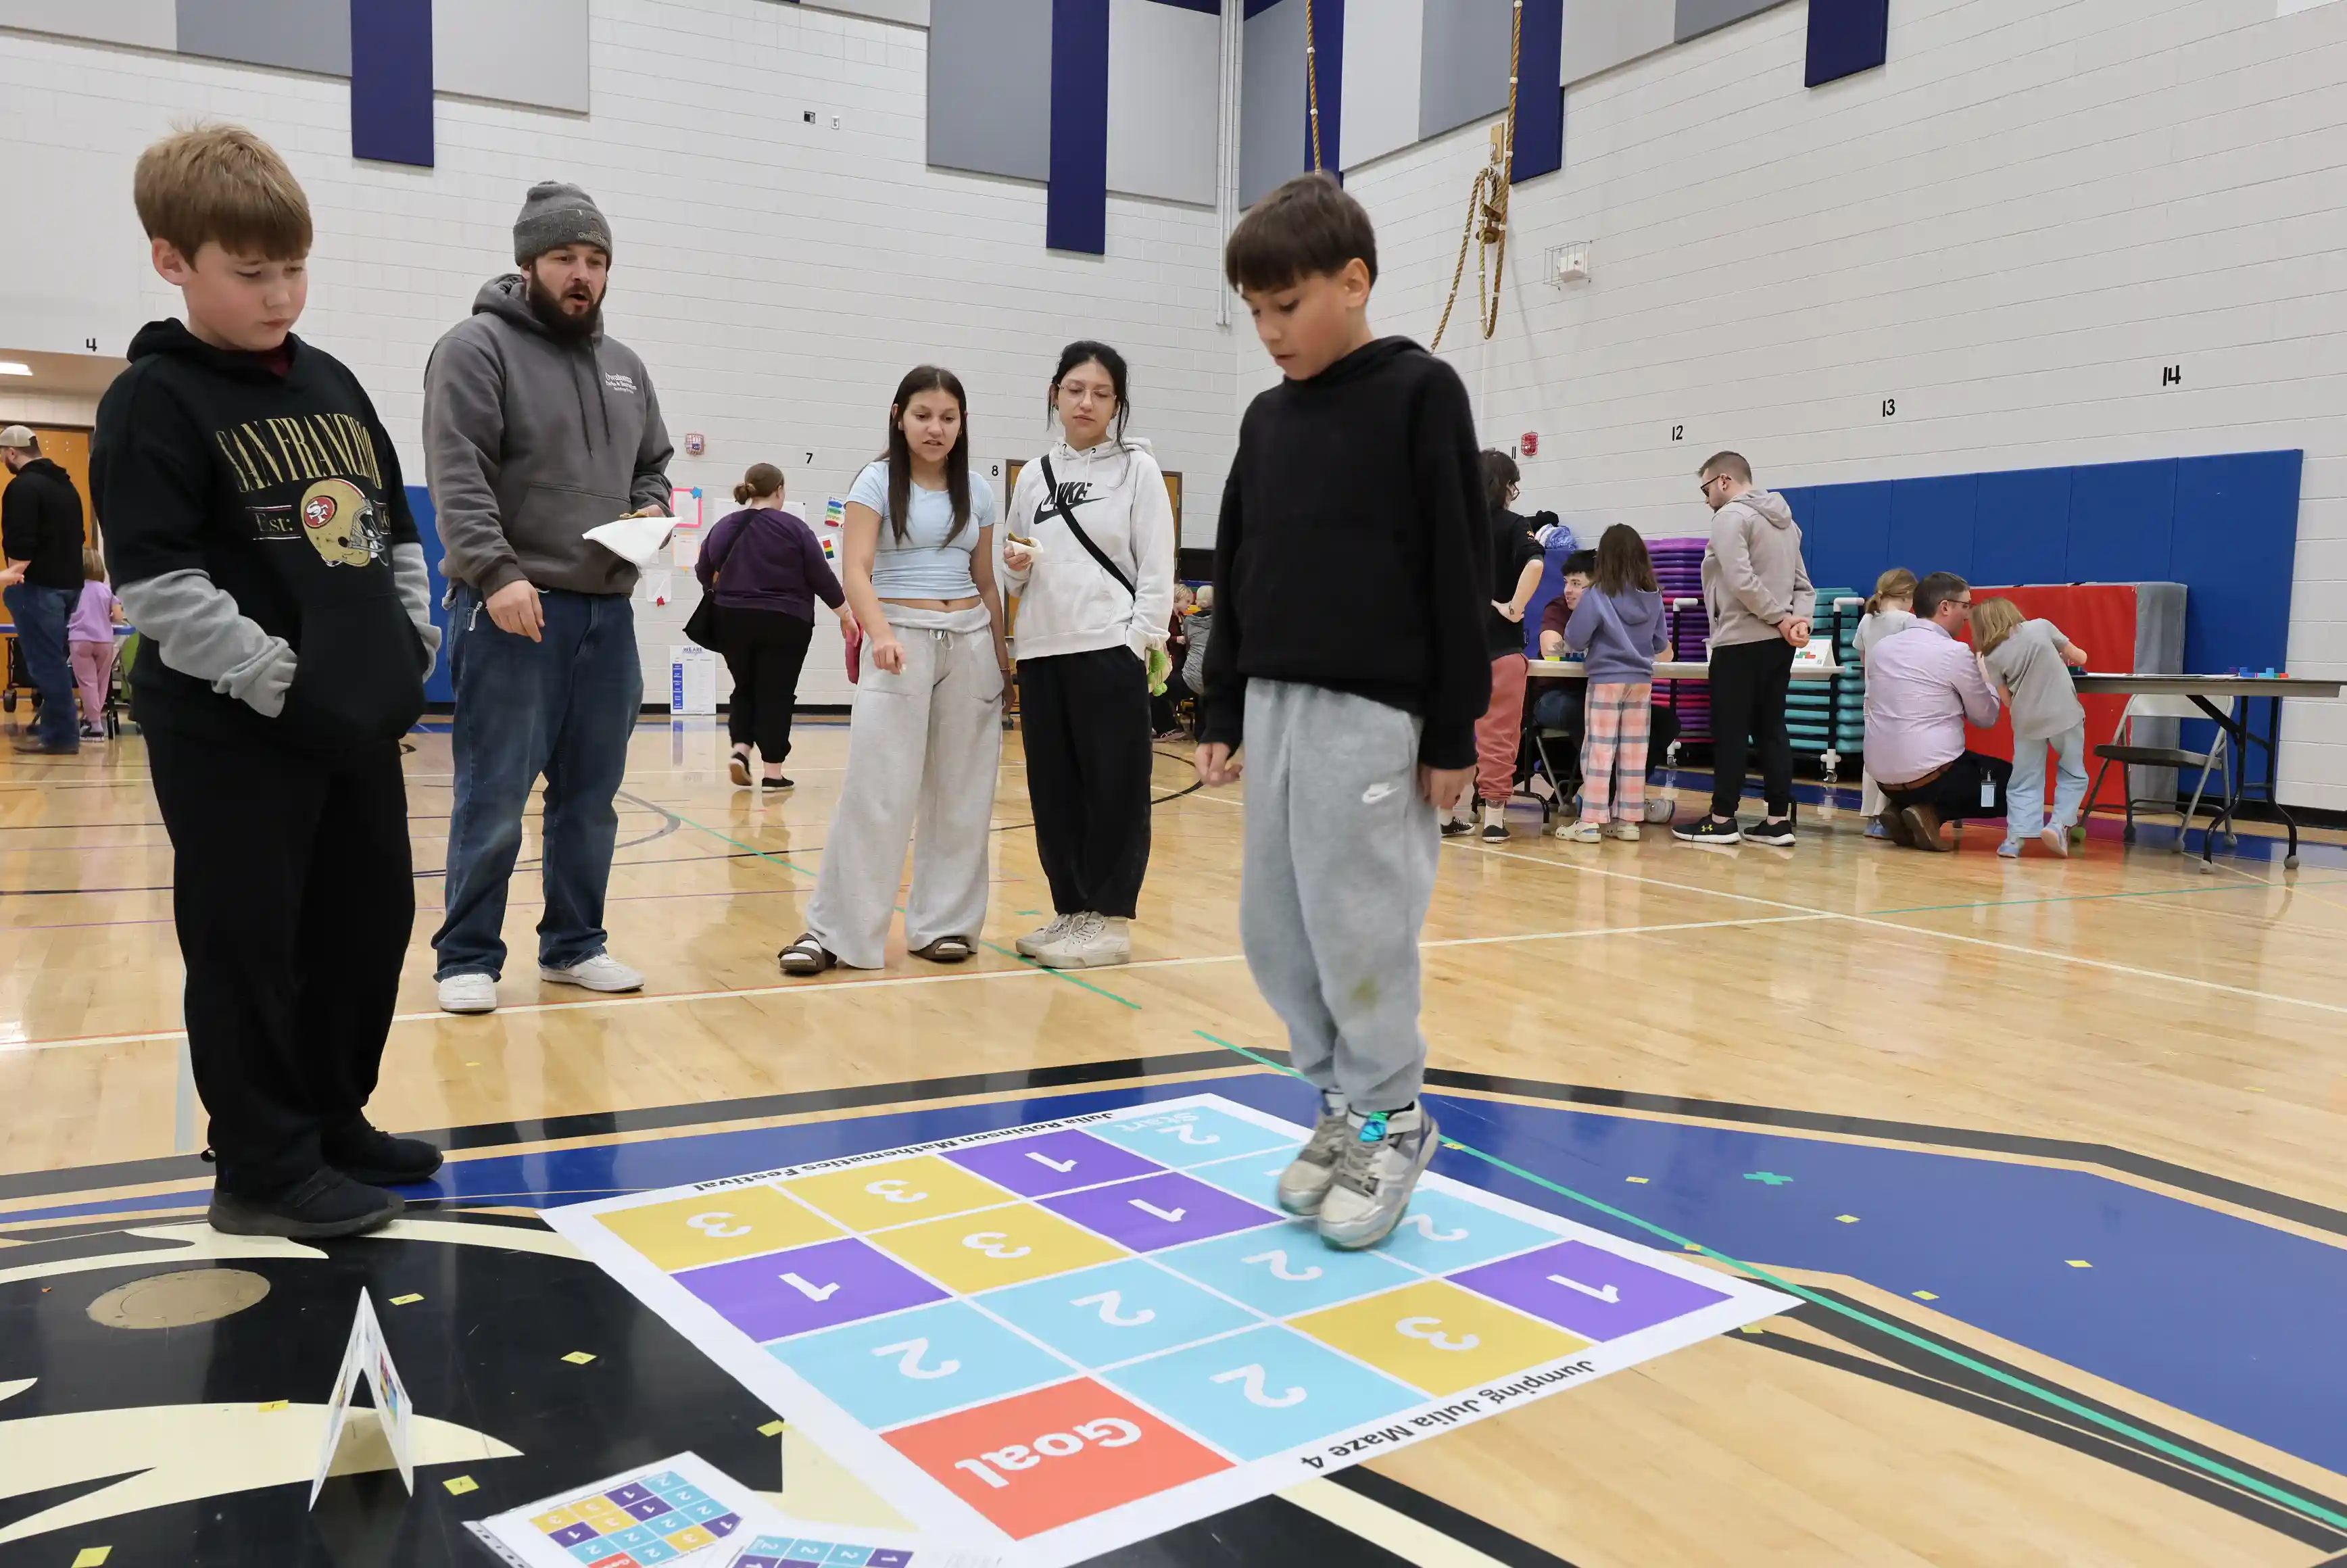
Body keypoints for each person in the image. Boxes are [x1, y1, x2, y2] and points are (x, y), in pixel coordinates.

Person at [95, 124, 441, 1238]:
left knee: (366, 920)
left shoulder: (332, 382)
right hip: (232, 729)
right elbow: (158, 583)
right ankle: (259, 1162)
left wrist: (410, 642)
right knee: (252, 942)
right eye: (251, 274)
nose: (280, 293)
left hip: (347, 718)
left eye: (294, 267)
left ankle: (330, 1118)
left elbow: (391, 531)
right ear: (172, 261)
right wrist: (275, 678)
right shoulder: (155, 399)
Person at [1197, 173, 1489, 1250]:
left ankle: (1393, 1116)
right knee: (1275, 930)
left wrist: (1452, 727)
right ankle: (1339, 1104)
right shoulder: (1267, 419)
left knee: (1361, 927)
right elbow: (1241, 563)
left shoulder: (1422, 393)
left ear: (1354, 282)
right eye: (1256, 312)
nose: (1271, 332)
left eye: (1288, 306)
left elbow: (1456, 567)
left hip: (1376, 713)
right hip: (1273, 701)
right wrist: (1221, 700)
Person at [424, 181, 674, 1016]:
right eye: (565, 257)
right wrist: (496, 574)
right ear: (527, 262)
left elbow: (652, 466)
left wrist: (653, 507)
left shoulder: (627, 368)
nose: (582, 274)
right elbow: (457, 475)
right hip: (512, 607)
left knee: (590, 800)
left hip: (608, 612)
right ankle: (466, 955)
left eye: (596, 260)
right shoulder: (475, 348)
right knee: (493, 793)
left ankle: (574, 945)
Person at [779, 366, 1009, 975]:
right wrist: (879, 633)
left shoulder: (979, 494)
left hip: (970, 645)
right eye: (923, 415)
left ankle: (946, 925)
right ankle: (834, 933)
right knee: (877, 791)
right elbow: (855, 569)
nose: (936, 428)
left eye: (949, 418)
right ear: (898, 416)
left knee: (963, 793)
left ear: (963, 424)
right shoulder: (876, 481)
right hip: (899, 643)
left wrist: (1004, 666)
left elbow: (987, 582)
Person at [1000, 341, 1176, 970]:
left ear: (1117, 405)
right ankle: (1072, 910)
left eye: (1102, 393)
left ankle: (1111, 919)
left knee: (1115, 787)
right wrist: (1014, 565)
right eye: (1076, 389)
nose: (1087, 402)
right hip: (1044, 651)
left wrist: (1137, 643)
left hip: (1108, 649)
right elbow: (1013, 572)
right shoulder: (1034, 476)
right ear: (1055, 393)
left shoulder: (1138, 470)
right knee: (1055, 789)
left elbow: (1157, 567)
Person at [1677, 451, 1813, 848]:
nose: (1706, 500)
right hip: (1779, 643)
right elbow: (1804, 585)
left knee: (1732, 730)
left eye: (1706, 489)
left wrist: (1780, 619)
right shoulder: (1788, 524)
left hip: (1739, 639)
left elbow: (1739, 579)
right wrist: (1796, 620)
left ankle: (1721, 818)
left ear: (1723, 481)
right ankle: (1777, 821)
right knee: (1772, 728)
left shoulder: (1730, 517)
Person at [700, 462, 848, 791]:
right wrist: (846, 615)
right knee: (776, 692)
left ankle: (740, 749)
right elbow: (820, 576)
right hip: (786, 620)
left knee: (745, 686)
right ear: (780, 489)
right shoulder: (793, 528)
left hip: (732, 617)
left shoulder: (724, 526)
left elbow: (703, 568)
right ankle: (773, 774)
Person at [1866, 572, 2010, 851]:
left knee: (1955, 767)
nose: (1969, 615)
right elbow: (1986, 718)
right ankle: (1932, 814)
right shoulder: (1954, 652)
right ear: (1945, 607)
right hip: (1932, 778)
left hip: (1883, 778)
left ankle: (1901, 810)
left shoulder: (1882, 648)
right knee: (2015, 783)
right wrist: (1988, 678)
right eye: (1966, 606)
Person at [1556, 526, 1669, 844]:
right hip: (1641, 682)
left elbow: (1575, 638)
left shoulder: (1598, 593)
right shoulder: (1654, 595)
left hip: (1606, 679)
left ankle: (1590, 821)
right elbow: (1660, 641)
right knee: (1634, 753)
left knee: (1599, 750)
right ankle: (1629, 821)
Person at [1459, 451, 1549, 842]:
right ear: (1506, 485)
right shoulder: (1516, 525)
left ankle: (1447, 812)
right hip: (1500, 647)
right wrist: (1514, 608)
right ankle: (1493, 819)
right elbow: (1536, 565)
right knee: (1500, 735)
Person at [1971, 597, 2090, 859]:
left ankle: (2014, 840)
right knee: (2073, 772)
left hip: (2026, 720)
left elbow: (2006, 700)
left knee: (2025, 777)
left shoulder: (1991, 655)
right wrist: (2060, 657)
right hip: (2064, 715)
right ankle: (2058, 825)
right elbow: (2081, 657)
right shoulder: (2040, 627)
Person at [1, 424, 88, 755]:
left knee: (44, 664)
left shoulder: (22, 487)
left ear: (12, 452)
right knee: (54, 659)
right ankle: (56, 728)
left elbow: (21, 542)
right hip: (70, 585)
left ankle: (61, 737)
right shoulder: (66, 486)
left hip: (37, 587)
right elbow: (78, 538)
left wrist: (11, 576)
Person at [1853, 568, 1918, 839]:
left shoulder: (1867, 620)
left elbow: (1863, 660)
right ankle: (1888, 815)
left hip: (1873, 698)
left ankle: (1871, 816)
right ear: (1907, 595)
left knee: (1874, 758)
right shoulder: (1908, 621)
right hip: (1900, 700)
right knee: (1898, 758)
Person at [68, 545, 122, 739]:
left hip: (80, 640)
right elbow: (117, 616)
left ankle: (95, 725)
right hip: (105, 641)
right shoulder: (107, 590)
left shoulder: (74, 591)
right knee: (101, 683)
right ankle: (94, 719)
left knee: (87, 682)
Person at [1152, 583, 1196, 738]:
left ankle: (1168, 726)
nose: (1189, 606)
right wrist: (1176, 639)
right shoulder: (1166, 616)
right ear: (1178, 598)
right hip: (1167, 661)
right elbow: (1159, 634)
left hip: (1177, 663)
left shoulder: (1180, 617)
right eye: (1187, 602)